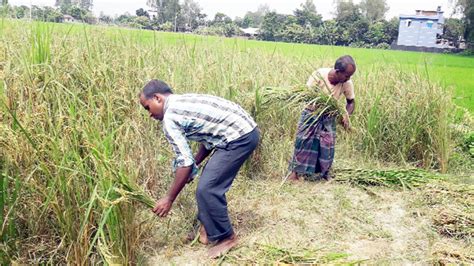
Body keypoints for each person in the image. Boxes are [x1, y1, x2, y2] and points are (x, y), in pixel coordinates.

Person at [139, 79, 259, 258]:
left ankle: (227, 237)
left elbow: (184, 162)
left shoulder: (170, 117)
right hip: (243, 130)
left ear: (157, 98)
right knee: (206, 182)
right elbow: (208, 138)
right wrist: (196, 164)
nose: (149, 114)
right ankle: (208, 232)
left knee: (208, 188)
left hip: (239, 137)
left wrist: (168, 199)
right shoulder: (183, 101)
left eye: (147, 107)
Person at [288, 55, 356, 181]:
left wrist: (346, 115)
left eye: (350, 76)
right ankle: (295, 173)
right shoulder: (319, 75)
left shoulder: (346, 83)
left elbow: (351, 102)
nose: (349, 78)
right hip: (311, 114)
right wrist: (321, 105)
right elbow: (307, 95)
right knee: (303, 142)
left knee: (327, 145)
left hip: (329, 116)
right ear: (337, 72)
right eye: (347, 75)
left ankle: (324, 174)